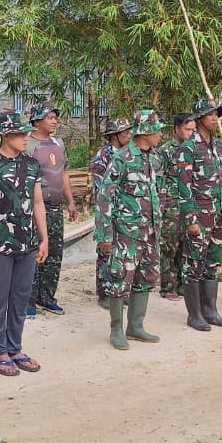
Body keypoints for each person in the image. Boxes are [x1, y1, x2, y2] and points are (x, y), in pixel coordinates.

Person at [0, 111, 50, 376]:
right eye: (20, 134)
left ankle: (15, 348)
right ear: (6, 135)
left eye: (26, 133)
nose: (25, 138)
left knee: (20, 298)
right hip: (0, 245)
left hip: (27, 244)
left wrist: (44, 238)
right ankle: (0, 352)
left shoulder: (32, 165)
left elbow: (38, 203)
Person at [95, 110, 166, 348]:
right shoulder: (122, 158)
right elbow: (104, 196)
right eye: (157, 130)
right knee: (119, 279)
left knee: (146, 277)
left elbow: (159, 192)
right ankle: (116, 330)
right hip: (126, 233)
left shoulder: (155, 158)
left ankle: (135, 326)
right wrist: (104, 234)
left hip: (150, 231)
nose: (160, 134)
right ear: (145, 132)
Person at [176, 99, 222, 331]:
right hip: (199, 217)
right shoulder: (188, 148)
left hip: (218, 215)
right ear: (199, 118)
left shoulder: (218, 146)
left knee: (212, 262)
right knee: (193, 264)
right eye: (210, 114)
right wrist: (190, 219)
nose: (215, 118)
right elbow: (183, 186)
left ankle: (211, 311)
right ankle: (195, 315)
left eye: (217, 114)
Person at [25, 103, 78, 316]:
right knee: (34, 253)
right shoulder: (27, 144)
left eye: (55, 117)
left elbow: (64, 173)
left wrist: (70, 201)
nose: (55, 121)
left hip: (55, 208)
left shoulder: (59, 143)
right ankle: (28, 301)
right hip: (35, 209)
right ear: (37, 121)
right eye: (50, 117)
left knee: (54, 254)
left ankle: (47, 297)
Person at [89, 117, 133, 309]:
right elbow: (102, 190)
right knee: (106, 252)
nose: (130, 135)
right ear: (115, 136)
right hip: (108, 212)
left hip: (125, 212)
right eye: (126, 133)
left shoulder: (128, 154)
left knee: (123, 253)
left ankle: (119, 290)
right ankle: (104, 293)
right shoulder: (103, 156)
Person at [157, 113, 195, 300]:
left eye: (193, 130)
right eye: (188, 129)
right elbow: (159, 179)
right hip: (171, 206)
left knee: (186, 247)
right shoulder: (165, 151)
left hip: (189, 206)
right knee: (169, 247)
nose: (191, 133)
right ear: (177, 129)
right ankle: (168, 287)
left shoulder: (194, 150)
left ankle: (182, 286)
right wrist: (162, 206)